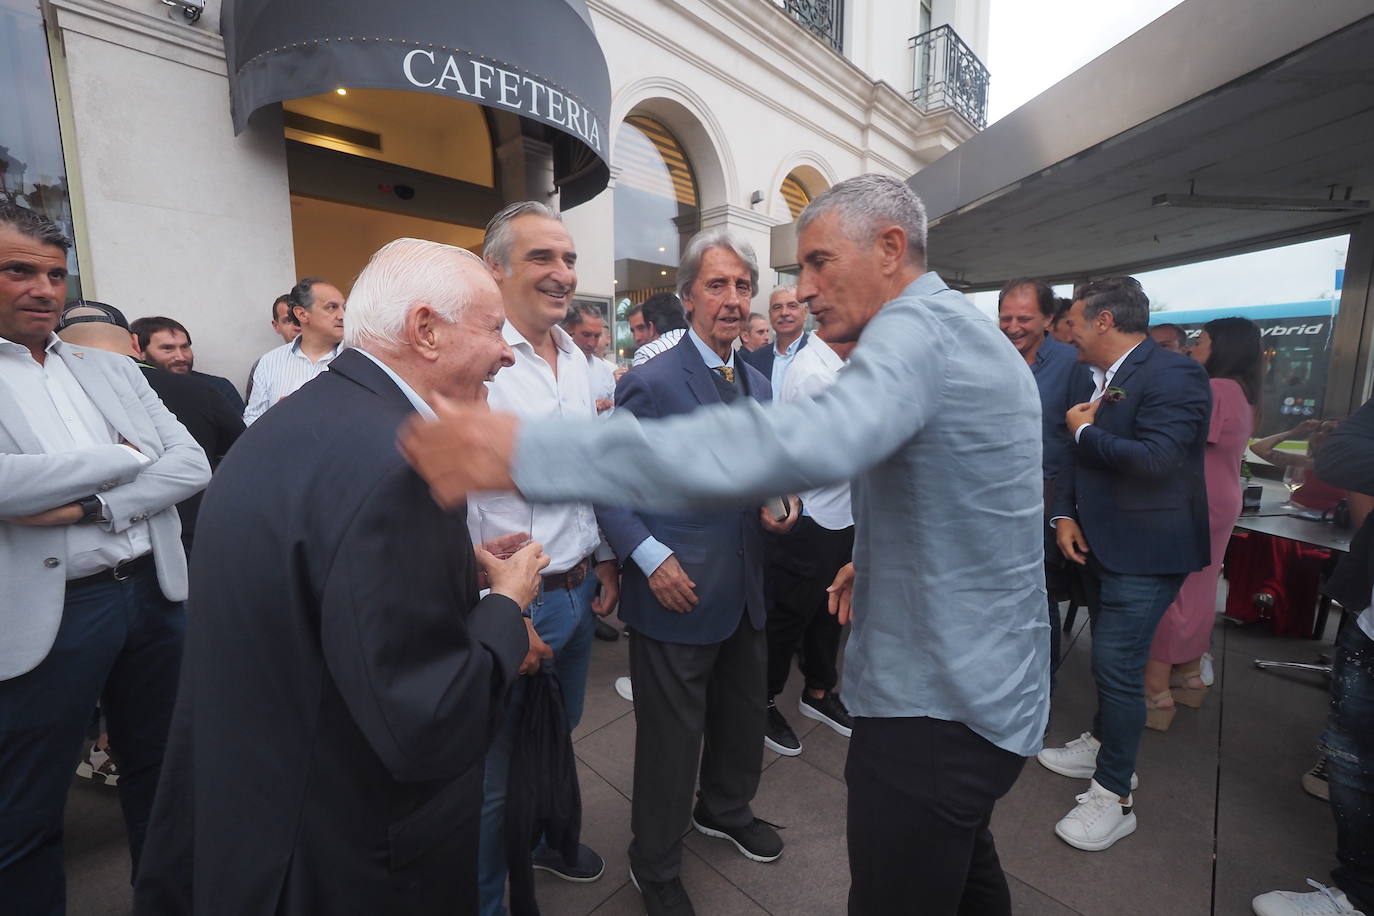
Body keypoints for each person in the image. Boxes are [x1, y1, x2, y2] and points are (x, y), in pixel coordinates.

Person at [399, 174, 1050, 916]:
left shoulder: (914, 331)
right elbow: (962, 487)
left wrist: (525, 454)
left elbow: (808, 440)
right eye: (736, 281)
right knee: (965, 872)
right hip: (977, 690)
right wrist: (875, 560)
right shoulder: (953, 330)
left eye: (816, 263)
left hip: (939, 709)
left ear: (891, 249)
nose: (798, 290)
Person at [133, 238, 546, 916]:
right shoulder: (399, 465)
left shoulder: (306, 417)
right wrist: (506, 604)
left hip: (255, 819)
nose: (507, 351)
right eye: (495, 327)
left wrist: (446, 565)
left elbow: (317, 574)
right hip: (344, 853)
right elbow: (428, 718)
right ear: (426, 330)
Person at [0, 202, 211, 914]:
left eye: (54, 274)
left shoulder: (106, 366)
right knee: (26, 811)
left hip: (154, 594)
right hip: (52, 614)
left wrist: (93, 503)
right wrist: (121, 457)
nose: (42, 288)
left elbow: (189, 465)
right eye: (18, 271)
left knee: (166, 779)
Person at [591, 228, 782, 916]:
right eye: (717, 285)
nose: (732, 300)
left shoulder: (757, 383)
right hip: (676, 592)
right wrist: (650, 558)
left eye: (741, 286)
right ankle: (655, 862)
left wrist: (775, 504)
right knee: (672, 745)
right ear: (689, 296)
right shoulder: (654, 380)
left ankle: (725, 809)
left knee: (737, 721)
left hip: (743, 588)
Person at [472, 202, 621, 910]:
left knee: (553, 740)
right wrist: (500, 612)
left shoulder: (587, 368)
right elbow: (459, 505)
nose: (562, 275)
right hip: (517, 605)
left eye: (568, 260)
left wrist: (608, 564)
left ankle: (539, 844)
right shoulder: (480, 365)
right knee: (494, 774)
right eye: (542, 259)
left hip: (580, 593)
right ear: (495, 268)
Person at [1039, 276, 1212, 852]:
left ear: (1104, 322)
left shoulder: (1173, 373)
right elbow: (1074, 457)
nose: (1068, 333)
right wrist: (1063, 515)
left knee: (1117, 667)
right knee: (1111, 667)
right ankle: (1105, 742)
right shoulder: (1105, 376)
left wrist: (1084, 429)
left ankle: (1115, 794)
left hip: (1145, 550)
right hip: (1098, 542)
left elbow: (1158, 459)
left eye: (1075, 322)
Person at [1250, 396, 1374, 916]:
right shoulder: (1338, 453)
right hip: (1370, 622)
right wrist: (1305, 433)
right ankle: (1359, 892)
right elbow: (1336, 459)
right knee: (1351, 758)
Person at [1144, 317, 1261, 728]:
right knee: (1199, 591)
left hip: (1196, 501)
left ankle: (1155, 692)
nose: (1194, 348)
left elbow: (1180, 443)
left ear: (1222, 347)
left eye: (1202, 341)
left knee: (1169, 593)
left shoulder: (1215, 389)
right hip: (1222, 498)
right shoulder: (1244, 393)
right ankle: (1190, 678)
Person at [57, 302, 244, 557]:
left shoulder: (52, 400)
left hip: (95, 554)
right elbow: (241, 456)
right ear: (136, 344)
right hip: (194, 541)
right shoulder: (199, 391)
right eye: (167, 347)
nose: (180, 355)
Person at [761, 333, 856, 756]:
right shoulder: (812, 373)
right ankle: (761, 702)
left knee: (831, 613)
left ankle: (818, 692)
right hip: (810, 518)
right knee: (787, 619)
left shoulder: (848, 368)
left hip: (845, 516)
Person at [998, 277, 1090, 678]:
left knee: (1039, 598)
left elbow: (1080, 443)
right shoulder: (992, 357)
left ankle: (1040, 689)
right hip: (993, 496)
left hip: (1043, 497)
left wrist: (1064, 511)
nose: (1013, 327)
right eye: (1005, 318)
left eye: (1024, 318)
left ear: (1049, 319)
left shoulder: (1072, 365)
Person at [242, 278, 346, 424]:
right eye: (331, 307)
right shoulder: (269, 363)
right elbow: (251, 419)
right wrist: (277, 416)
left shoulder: (359, 360)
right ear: (302, 314)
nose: (342, 316)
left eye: (344, 308)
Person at [130, 316, 245, 413]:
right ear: (140, 352)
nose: (180, 357)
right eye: (168, 348)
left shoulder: (218, 387)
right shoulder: (132, 392)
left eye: (185, 347)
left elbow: (243, 436)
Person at [741, 286, 810, 391]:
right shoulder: (754, 360)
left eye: (792, 306)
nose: (784, 313)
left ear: (805, 313)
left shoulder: (818, 354)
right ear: (770, 314)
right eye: (777, 307)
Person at [562, 302, 616, 414]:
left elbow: (614, 407)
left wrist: (609, 405)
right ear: (571, 329)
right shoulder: (556, 364)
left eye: (597, 336)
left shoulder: (604, 371)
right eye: (586, 335)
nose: (592, 343)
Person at [245, 294, 301, 400]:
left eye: (299, 318)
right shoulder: (263, 365)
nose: (297, 327)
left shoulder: (333, 358)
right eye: (288, 320)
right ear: (276, 326)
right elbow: (252, 414)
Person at [629, 292, 689, 366]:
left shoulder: (646, 353)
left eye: (642, 328)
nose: (636, 338)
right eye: (632, 331)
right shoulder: (701, 343)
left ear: (651, 326)